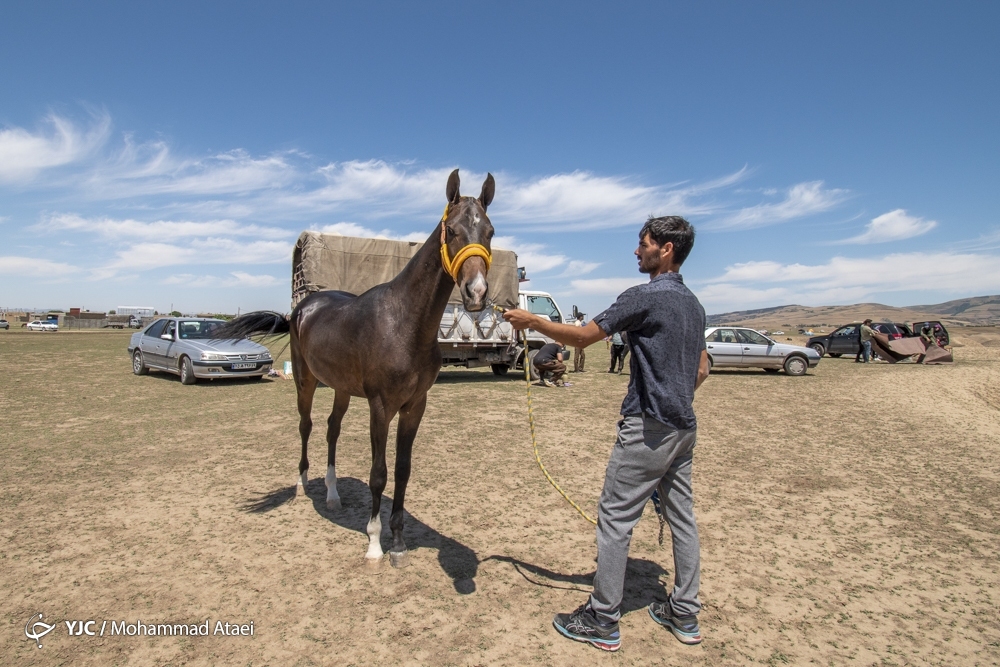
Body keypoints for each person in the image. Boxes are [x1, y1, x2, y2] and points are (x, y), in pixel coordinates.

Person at [504, 215, 711, 652]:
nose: (637, 251)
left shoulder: (643, 297)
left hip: (648, 429)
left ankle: (601, 619)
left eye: (643, 244)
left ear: (666, 249)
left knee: (615, 520)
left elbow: (582, 338)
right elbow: (703, 369)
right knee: (682, 521)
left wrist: (532, 321)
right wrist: (676, 398)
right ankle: (684, 612)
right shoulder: (694, 305)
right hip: (683, 428)